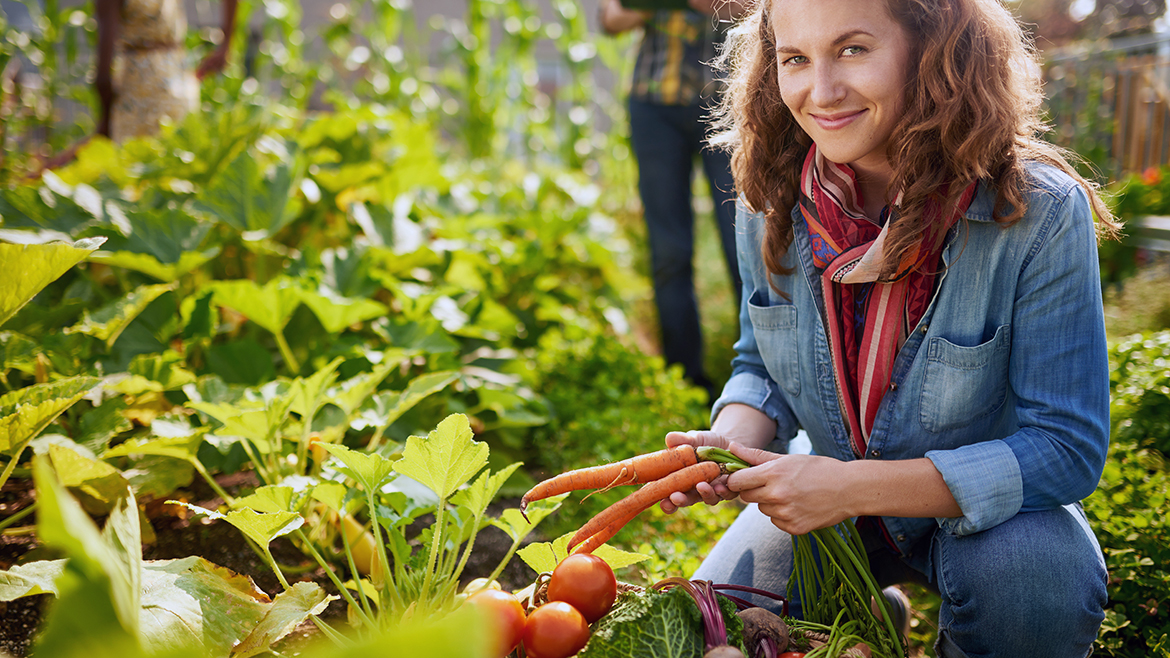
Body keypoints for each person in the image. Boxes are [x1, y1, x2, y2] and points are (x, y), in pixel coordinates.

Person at [659, 0, 1120, 656]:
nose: (820, 91)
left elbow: (1064, 447)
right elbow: (759, 364)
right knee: (713, 621)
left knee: (1037, 587)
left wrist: (848, 489)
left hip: (989, 517)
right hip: (821, 495)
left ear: (932, 50)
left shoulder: (1037, 212)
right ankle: (876, 619)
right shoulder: (770, 196)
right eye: (795, 58)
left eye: (852, 49)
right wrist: (729, 442)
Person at [599, 0, 747, 400]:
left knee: (743, 245)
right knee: (669, 252)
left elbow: (762, 8)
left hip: (729, 101)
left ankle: (754, 376)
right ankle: (685, 382)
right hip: (654, 104)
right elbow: (611, 18)